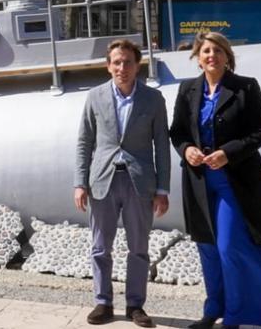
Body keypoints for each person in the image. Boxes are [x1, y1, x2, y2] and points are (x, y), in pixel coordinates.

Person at [169, 32, 261, 329]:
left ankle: (244, 316)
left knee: (232, 245)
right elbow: (177, 131)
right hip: (199, 180)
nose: (211, 56)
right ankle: (213, 310)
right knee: (207, 246)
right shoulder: (188, 90)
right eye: (206, 51)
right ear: (197, 56)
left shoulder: (245, 87)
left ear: (227, 56)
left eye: (218, 51)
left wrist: (227, 153)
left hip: (235, 180)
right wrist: (187, 149)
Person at [74, 39, 171, 327]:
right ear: (108, 66)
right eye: (116, 62)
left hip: (139, 184)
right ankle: (102, 303)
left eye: (127, 62)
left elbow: (162, 147)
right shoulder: (95, 97)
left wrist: (162, 190)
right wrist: (80, 182)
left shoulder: (154, 100)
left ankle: (135, 305)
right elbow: (84, 142)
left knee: (138, 247)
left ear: (136, 65)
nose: (122, 67)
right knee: (100, 246)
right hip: (102, 181)